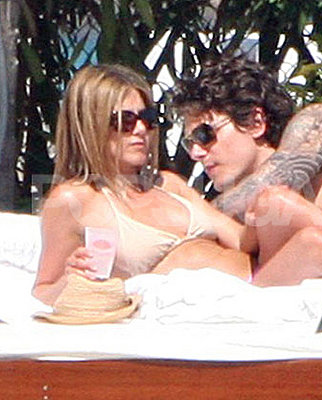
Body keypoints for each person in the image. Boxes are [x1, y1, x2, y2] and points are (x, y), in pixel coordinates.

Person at [33, 64, 257, 306]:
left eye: (148, 118)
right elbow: (42, 293)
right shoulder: (73, 200)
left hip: (254, 290)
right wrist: (70, 280)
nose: (141, 130)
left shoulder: (169, 184)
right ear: (90, 125)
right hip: (189, 316)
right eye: (125, 120)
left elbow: (242, 240)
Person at [171, 53, 322, 286]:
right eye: (189, 143)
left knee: (277, 205)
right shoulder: (242, 221)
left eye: (205, 135)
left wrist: (192, 203)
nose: (196, 153)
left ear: (255, 122)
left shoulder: (318, 123)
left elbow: (276, 178)